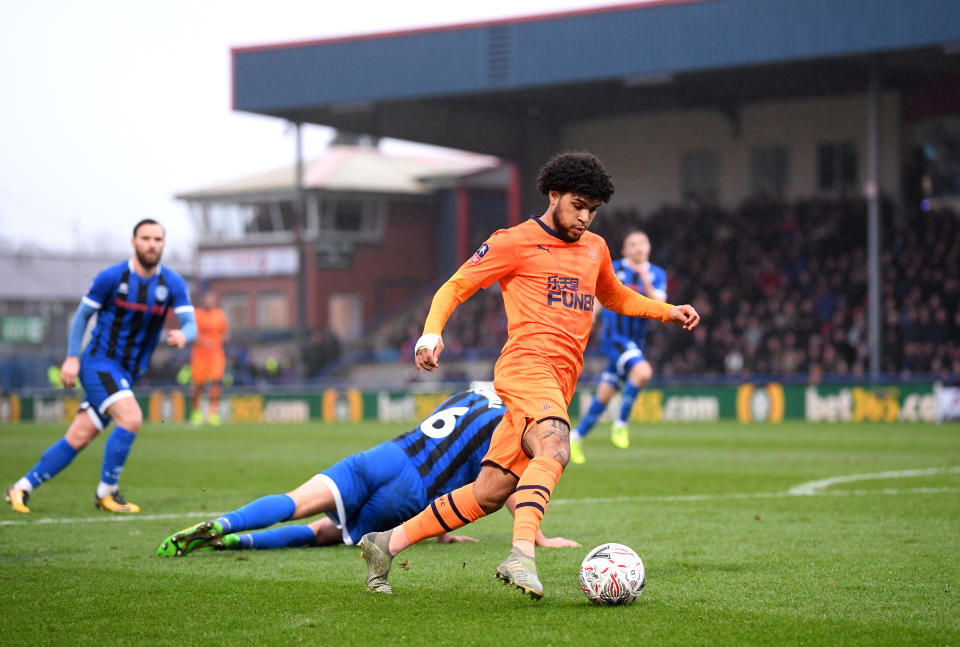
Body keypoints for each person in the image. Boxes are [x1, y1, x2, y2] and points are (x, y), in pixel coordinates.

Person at [359, 152, 700, 599]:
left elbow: (615, 295)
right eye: (578, 205)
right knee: (556, 443)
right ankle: (521, 555)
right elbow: (456, 284)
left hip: (560, 380)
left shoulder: (595, 248)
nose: (584, 217)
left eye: (593, 210)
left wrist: (667, 311)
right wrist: (430, 334)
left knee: (489, 492)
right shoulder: (513, 241)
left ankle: (386, 544)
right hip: (525, 367)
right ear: (553, 194)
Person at [155, 388, 578, 555]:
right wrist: (537, 536)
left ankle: (223, 523)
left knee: (294, 501)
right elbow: (499, 488)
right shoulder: (512, 423)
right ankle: (237, 542)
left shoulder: (469, 393)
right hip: (410, 492)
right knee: (326, 533)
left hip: (384, 456)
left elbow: (441, 442)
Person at [4, 219, 196, 514]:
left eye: (157, 239)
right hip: (99, 364)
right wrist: (72, 357)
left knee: (79, 436)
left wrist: (184, 335)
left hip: (127, 373)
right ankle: (107, 491)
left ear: (163, 244)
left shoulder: (171, 283)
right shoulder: (112, 277)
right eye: (145, 238)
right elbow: (81, 317)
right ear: (133, 242)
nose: (151, 244)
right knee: (131, 418)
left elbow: (190, 325)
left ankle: (21, 488)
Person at [570, 230, 667, 463]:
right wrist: (590, 318)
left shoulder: (656, 273)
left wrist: (644, 277)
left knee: (604, 396)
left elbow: (660, 304)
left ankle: (576, 436)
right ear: (625, 251)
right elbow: (597, 297)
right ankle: (621, 423)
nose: (638, 248)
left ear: (649, 247)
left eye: (642, 243)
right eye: (633, 244)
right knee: (643, 372)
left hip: (637, 342)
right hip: (615, 338)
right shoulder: (614, 268)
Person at [190, 292, 229, 426]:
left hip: (216, 354)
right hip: (200, 355)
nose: (210, 302)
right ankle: (196, 412)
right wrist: (204, 342)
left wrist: (221, 339)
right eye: (208, 300)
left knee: (216, 383)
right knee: (198, 385)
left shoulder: (219, 315)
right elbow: (192, 335)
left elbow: (224, 332)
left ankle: (213, 413)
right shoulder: (197, 314)